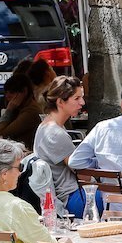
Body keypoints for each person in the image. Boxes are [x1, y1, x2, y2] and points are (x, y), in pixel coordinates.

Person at [32, 76, 87, 214]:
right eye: (76, 98)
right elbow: (83, 174)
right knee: (113, 197)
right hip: (70, 197)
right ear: (60, 102)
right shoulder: (56, 133)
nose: (82, 102)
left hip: (64, 194)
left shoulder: (45, 126)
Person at [0, 74, 42, 149]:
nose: (7, 96)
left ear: (24, 91)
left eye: (12, 93)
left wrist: (9, 110)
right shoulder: (21, 108)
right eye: (6, 92)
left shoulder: (30, 111)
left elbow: (1, 134)